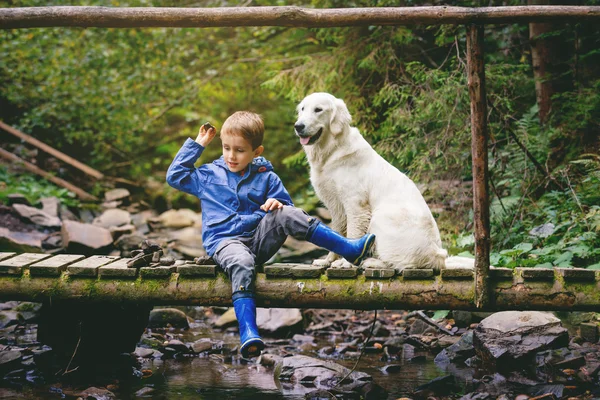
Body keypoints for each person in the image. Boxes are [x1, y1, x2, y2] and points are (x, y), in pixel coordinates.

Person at [166, 111, 375, 358]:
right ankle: (248, 332)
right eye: (226, 148)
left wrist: (275, 202)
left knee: (285, 213)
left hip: (258, 240)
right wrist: (198, 145)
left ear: (256, 151)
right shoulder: (208, 175)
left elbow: (289, 209)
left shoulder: (267, 177)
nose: (232, 156)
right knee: (242, 262)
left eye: (240, 150)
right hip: (225, 243)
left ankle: (349, 249)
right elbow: (175, 176)